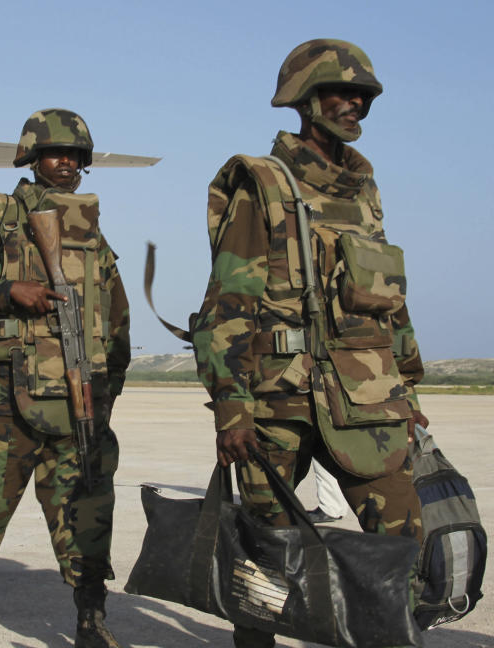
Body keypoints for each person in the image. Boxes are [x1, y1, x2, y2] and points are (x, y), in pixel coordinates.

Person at [191, 39, 428, 648]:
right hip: (277, 398)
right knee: (266, 552)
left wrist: (406, 385)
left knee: (401, 540)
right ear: (304, 98)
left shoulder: (364, 190)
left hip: (364, 396)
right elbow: (228, 304)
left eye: (362, 96)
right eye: (340, 92)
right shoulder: (263, 182)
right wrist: (231, 406)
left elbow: (385, 298)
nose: (354, 104)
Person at [0, 108, 130, 648]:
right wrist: (6, 292)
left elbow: (115, 315)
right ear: (32, 157)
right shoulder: (1, 213)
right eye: (53, 152)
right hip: (3, 394)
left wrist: (108, 388)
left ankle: (91, 619)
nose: (64, 162)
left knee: (87, 513)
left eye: (73, 154)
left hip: (77, 397)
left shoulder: (93, 232)